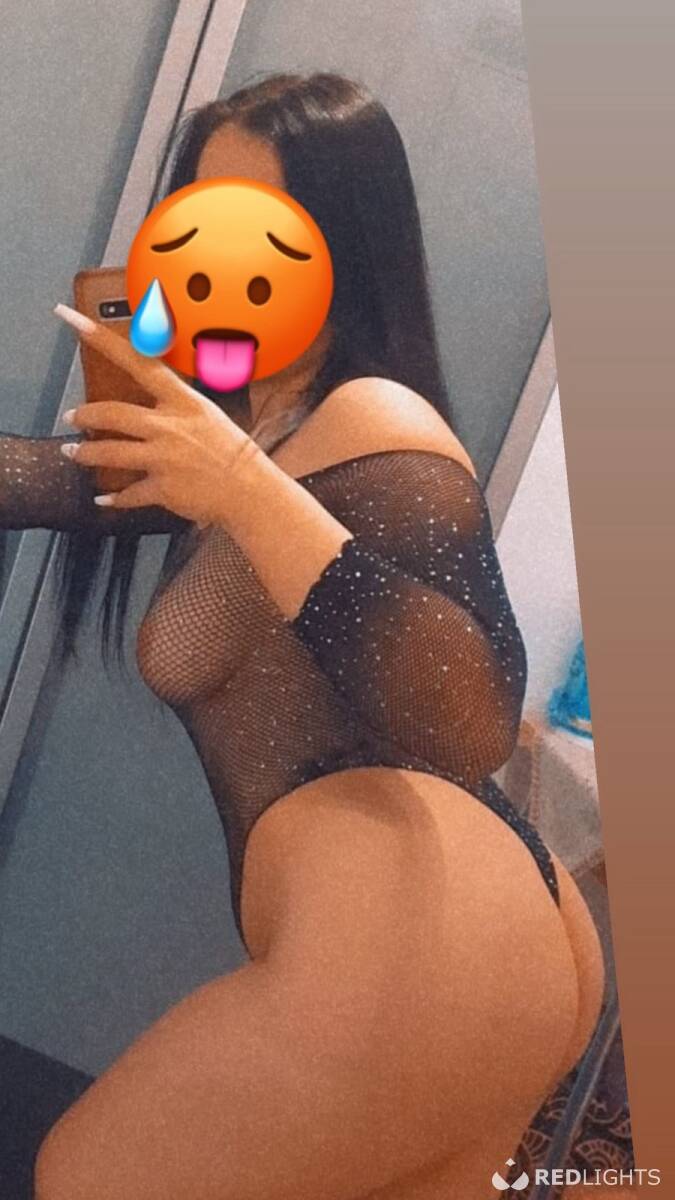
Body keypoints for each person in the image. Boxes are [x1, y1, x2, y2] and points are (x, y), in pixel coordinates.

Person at [0, 73, 604, 1200]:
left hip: (421, 952)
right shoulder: (254, 423)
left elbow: (470, 718)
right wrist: (230, 468)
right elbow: (51, 481)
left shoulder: (371, 417)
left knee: (87, 1177)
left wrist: (242, 486)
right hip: (476, 948)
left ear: (342, 249)